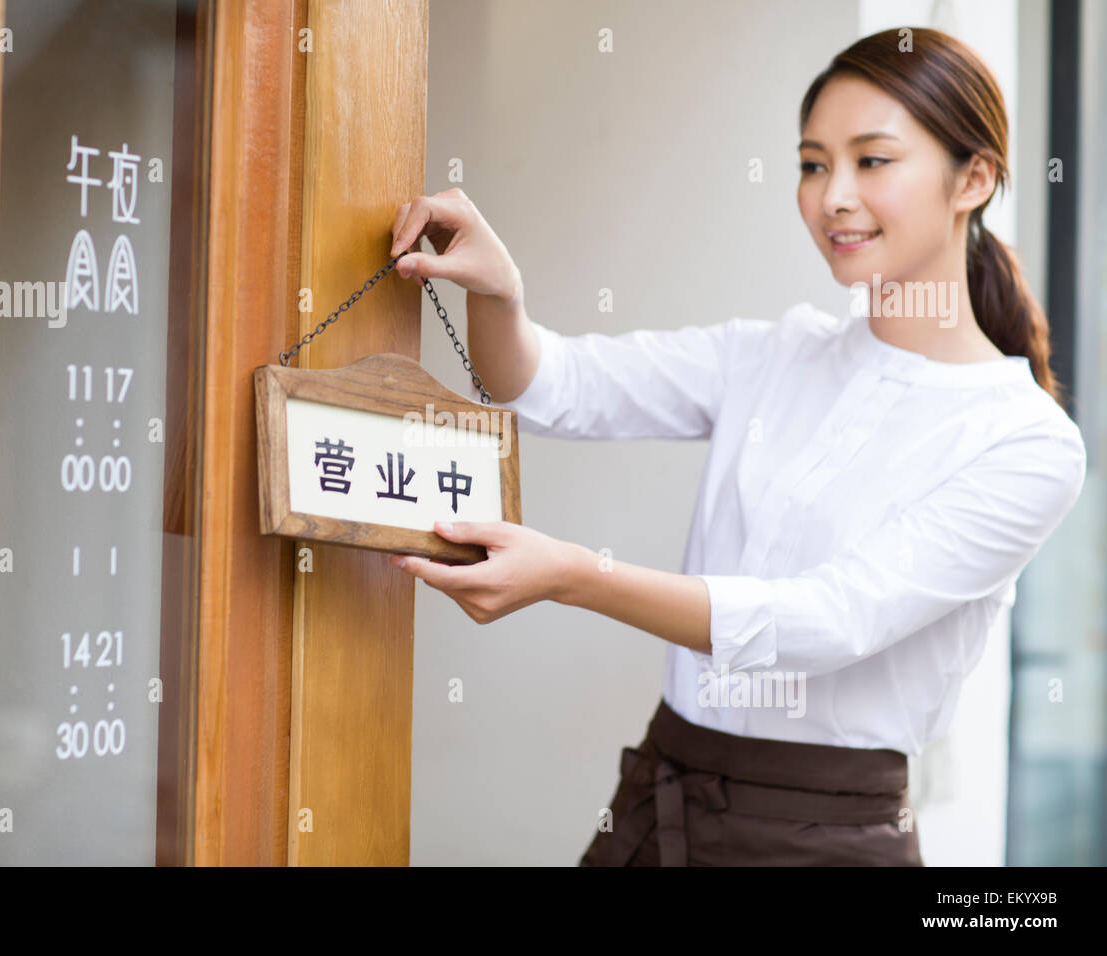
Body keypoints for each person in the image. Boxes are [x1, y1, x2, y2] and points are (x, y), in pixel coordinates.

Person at [386, 27, 1087, 866]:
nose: (832, 196)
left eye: (872, 161)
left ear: (972, 178)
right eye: (812, 163)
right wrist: (502, 293)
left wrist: (574, 576)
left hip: (826, 840)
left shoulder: (1026, 441)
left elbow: (829, 619)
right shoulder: (771, 353)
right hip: (661, 801)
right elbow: (553, 387)